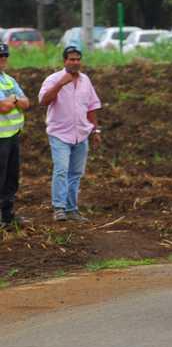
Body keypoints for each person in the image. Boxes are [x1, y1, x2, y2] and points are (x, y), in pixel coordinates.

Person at [39, 46, 102, 222]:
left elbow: (91, 107)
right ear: (64, 61)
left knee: (75, 173)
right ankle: (59, 208)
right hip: (60, 134)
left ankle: (72, 209)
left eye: (77, 59)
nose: (75, 62)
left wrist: (95, 130)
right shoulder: (53, 79)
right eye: (71, 59)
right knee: (61, 170)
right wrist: (60, 84)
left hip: (81, 133)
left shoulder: (85, 81)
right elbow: (43, 101)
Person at [0, 43, 31, 229]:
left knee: (11, 177)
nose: (3, 59)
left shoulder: (8, 80)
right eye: (0, 56)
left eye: (5, 55)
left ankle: (7, 215)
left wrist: (12, 100)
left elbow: (26, 103)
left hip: (12, 136)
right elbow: (3, 107)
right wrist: (13, 100)